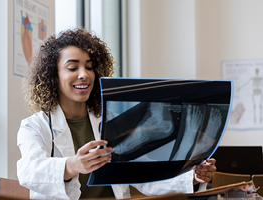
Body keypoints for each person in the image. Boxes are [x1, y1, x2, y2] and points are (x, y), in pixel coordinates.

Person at [16, 28, 216, 199]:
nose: (84, 74)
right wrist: (72, 166)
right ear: (53, 75)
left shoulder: (110, 120)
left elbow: (140, 174)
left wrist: (193, 176)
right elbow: (28, 171)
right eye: (72, 67)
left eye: (89, 67)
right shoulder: (34, 126)